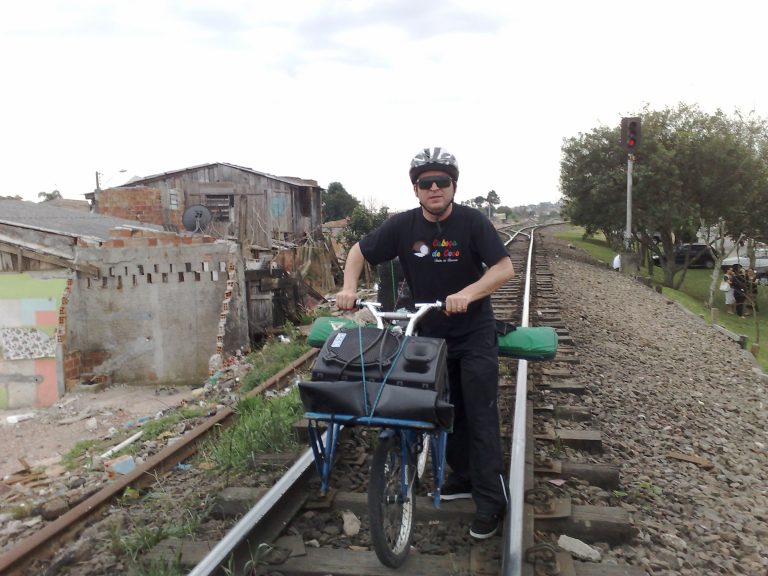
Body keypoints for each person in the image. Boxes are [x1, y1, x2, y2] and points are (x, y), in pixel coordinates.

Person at [336, 147, 515, 539]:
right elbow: (357, 251)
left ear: (454, 186)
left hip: (473, 333)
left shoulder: (472, 223)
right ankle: (462, 477)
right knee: (442, 409)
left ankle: (491, 502)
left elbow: (504, 268)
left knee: (480, 413)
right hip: (429, 335)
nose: (435, 188)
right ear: (416, 190)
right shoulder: (402, 226)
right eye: (426, 183)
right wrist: (349, 288)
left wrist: (469, 292)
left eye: (442, 182)